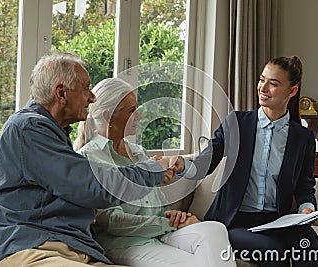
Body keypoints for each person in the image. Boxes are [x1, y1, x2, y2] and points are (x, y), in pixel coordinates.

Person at [0, 51, 184, 267]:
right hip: (27, 248)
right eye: (86, 88)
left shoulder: (54, 134)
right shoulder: (28, 129)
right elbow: (94, 185)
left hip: (72, 249)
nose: (92, 98)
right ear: (61, 93)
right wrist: (152, 170)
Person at [74, 78, 236, 267]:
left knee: (215, 230)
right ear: (108, 116)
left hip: (161, 232)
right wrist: (166, 223)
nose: (139, 116)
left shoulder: (138, 152)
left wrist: (176, 216)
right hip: (125, 243)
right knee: (196, 263)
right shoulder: (90, 159)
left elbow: (157, 205)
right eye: (132, 111)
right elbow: (112, 221)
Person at [192, 56, 318, 266]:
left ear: (292, 91)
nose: (263, 88)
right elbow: (207, 161)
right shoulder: (237, 123)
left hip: (276, 221)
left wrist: (306, 208)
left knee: (309, 244)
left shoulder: (303, 138)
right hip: (234, 222)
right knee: (273, 253)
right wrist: (182, 166)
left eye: (273, 84)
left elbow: (305, 186)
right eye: (262, 80)